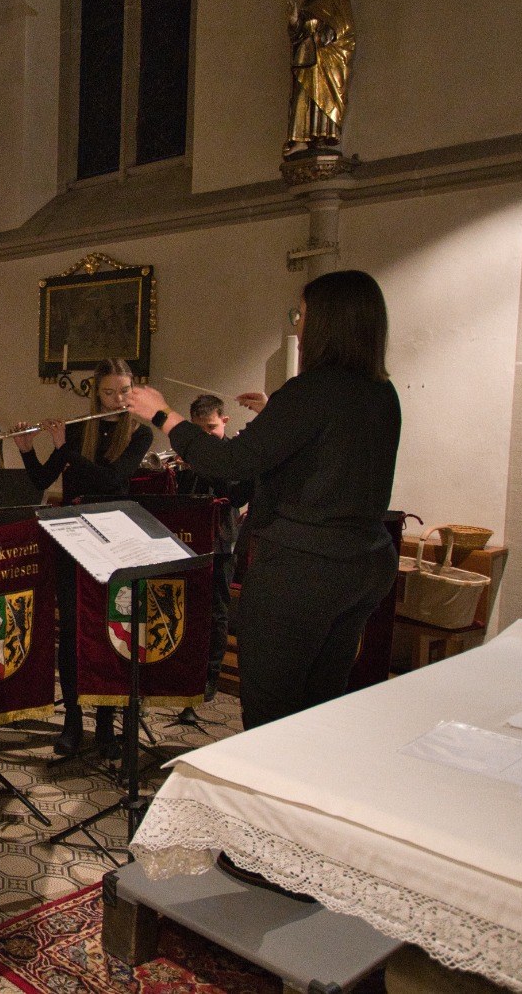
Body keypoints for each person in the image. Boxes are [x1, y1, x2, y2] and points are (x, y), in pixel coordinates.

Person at [125, 270, 400, 730]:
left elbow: (228, 461)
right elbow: (329, 450)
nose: (299, 324)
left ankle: (264, 794)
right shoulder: (380, 391)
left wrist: (163, 414)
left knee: (271, 712)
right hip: (363, 563)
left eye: (304, 314)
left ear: (328, 323)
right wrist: (279, 415)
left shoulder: (312, 389)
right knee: (319, 703)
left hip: (304, 570)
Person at [13, 358, 153, 758]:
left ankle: (107, 723)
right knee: (73, 632)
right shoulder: (77, 430)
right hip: (73, 541)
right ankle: (73, 719)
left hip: (115, 542)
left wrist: (65, 450)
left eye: (124, 391)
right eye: (109, 392)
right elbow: (42, 480)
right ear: (96, 393)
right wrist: (27, 450)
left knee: (111, 632)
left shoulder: (139, 434)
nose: (117, 398)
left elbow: (113, 480)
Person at [174, 395, 251, 704]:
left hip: (221, 540)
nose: (205, 435)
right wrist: (183, 471)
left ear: (225, 422)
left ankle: (211, 674)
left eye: (211, 428)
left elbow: (234, 494)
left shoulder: (235, 454)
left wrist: (202, 465)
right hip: (190, 540)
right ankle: (185, 669)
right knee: (187, 608)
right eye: (198, 430)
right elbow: (183, 497)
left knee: (217, 611)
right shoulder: (190, 453)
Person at [285, 0, 354, 158]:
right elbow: (298, 34)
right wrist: (295, 21)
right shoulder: (308, 3)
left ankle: (324, 134)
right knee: (302, 95)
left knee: (325, 94)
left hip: (327, 57)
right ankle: (302, 139)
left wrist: (325, 35)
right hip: (307, 56)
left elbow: (345, 25)